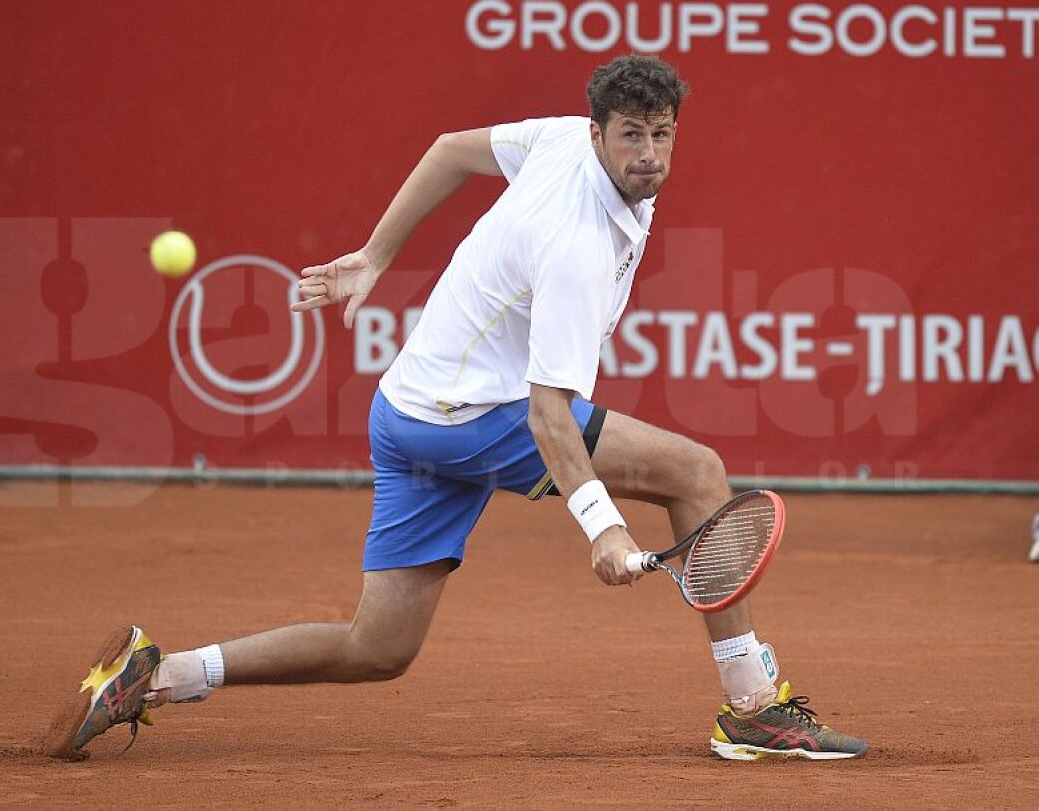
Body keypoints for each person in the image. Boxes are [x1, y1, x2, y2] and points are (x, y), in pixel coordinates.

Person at [46, 55, 866, 761]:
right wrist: (604, 527)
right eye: (630, 136)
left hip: (408, 410)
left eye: (661, 134)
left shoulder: (557, 140)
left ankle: (160, 673)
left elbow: (447, 150)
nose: (648, 154)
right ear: (597, 133)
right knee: (698, 472)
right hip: (477, 418)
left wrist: (376, 254)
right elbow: (549, 415)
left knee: (378, 647)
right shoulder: (576, 244)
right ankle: (752, 706)